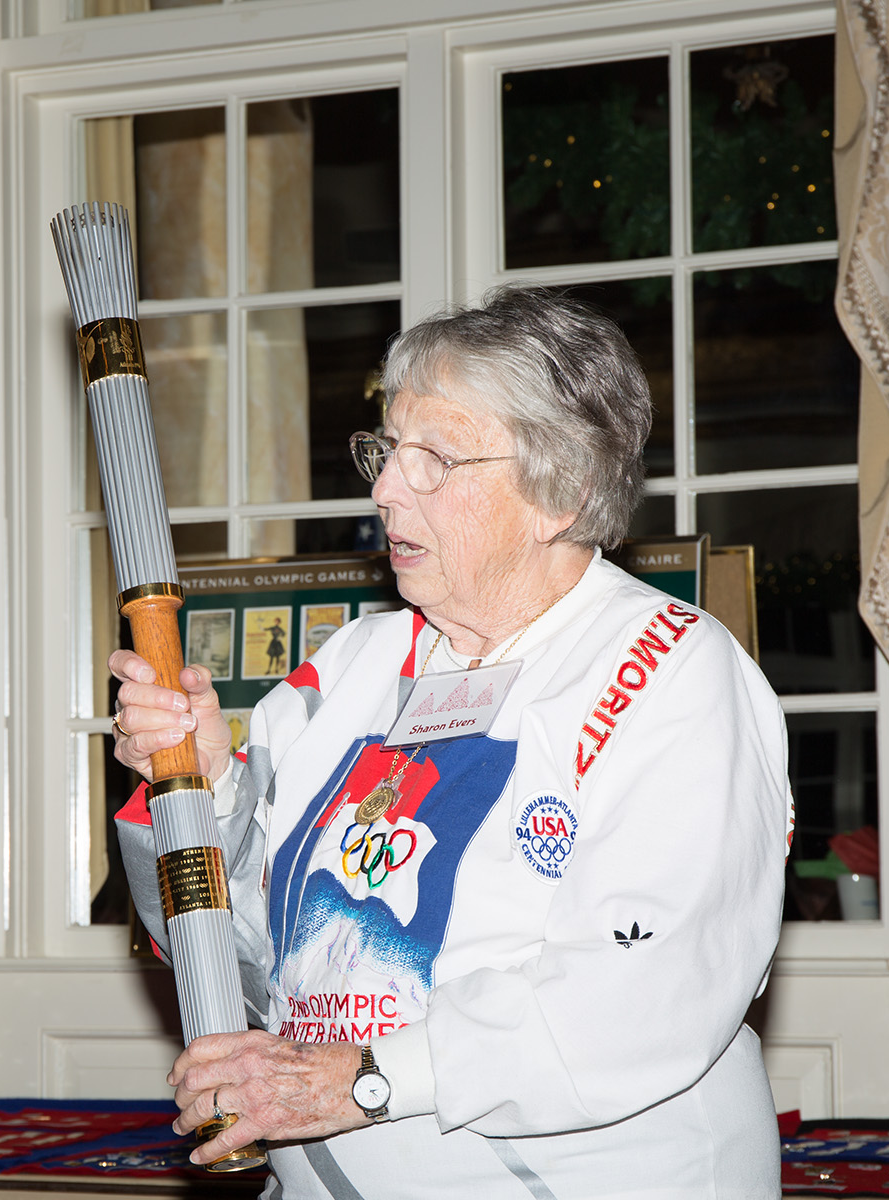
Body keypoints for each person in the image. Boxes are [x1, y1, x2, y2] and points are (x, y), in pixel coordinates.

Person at [111, 286, 791, 1198]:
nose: (387, 488)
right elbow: (220, 956)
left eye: (436, 458)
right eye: (387, 452)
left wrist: (368, 1079)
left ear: (565, 490)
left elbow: (647, 991)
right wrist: (194, 783)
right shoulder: (350, 668)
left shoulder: (669, 671)